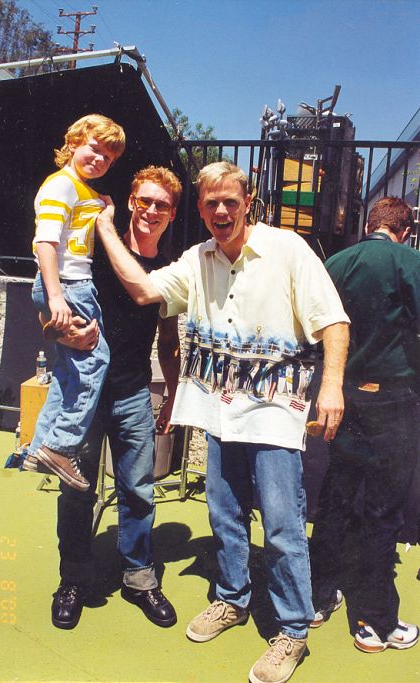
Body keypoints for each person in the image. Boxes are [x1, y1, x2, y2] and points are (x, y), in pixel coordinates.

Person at [95, 161, 350, 683]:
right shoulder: (197, 259)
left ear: (248, 199)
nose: (220, 211)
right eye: (210, 202)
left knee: (281, 527)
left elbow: (333, 321)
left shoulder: (288, 250)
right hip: (220, 411)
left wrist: (332, 385)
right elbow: (144, 290)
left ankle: (293, 632)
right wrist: (103, 228)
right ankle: (232, 599)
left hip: (276, 414)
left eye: (229, 200)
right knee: (225, 516)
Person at [28, 166, 182, 631]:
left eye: (161, 205)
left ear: (172, 215)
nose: (150, 211)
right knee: (77, 491)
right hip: (83, 396)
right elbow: (48, 314)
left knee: (138, 490)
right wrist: (60, 334)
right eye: (144, 201)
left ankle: (139, 578)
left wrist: (173, 394)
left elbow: (169, 340)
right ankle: (72, 578)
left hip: (134, 393)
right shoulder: (90, 255)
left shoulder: (170, 271)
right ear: (131, 201)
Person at [309, 196, 420, 653]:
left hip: (343, 395)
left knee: (337, 493)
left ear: (369, 223)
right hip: (395, 398)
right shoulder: (410, 261)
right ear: (405, 230)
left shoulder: (337, 261)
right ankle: (376, 621)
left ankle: (318, 596)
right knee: (384, 507)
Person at [25, 114, 126, 491]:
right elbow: (45, 243)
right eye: (94, 149)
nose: (99, 160)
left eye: (108, 158)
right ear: (72, 143)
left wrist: (104, 208)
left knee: (68, 374)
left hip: (71, 284)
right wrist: (56, 296)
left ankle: (40, 448)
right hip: (68, 284)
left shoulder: (82, 190)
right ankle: (62, 444)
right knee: (94, 359)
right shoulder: (60, 186)